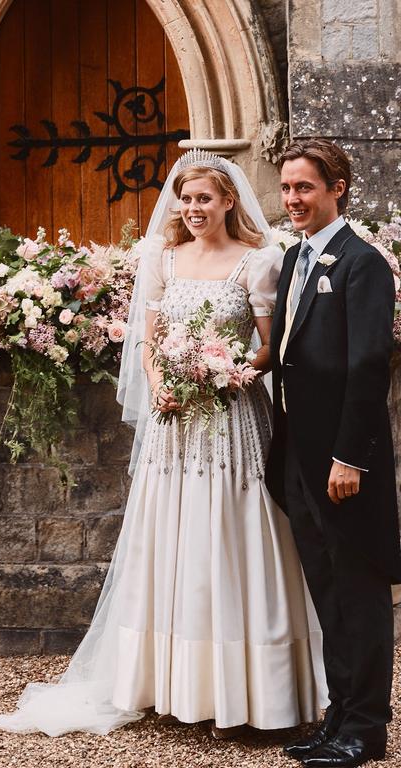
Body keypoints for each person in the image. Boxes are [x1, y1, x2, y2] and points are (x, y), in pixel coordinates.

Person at [0, 150, 326, 738]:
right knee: (173, 536)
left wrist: (229, 373)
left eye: (204, 199)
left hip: (231, 421)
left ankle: (250, 690)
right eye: (186, 200)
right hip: (174, 424)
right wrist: (164, 385)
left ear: (228, 202)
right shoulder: (162, 258)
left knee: (233, 537)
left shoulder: (258, 262)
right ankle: (169, 683)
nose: (192, 210)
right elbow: (148, 343)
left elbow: (270, 346)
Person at [266, 139, 400, 768]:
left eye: (305, 189)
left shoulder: (363, 263)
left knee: (359, 591)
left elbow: (370, 366)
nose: (292, 200)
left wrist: (350, 456)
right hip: (299, 455)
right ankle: (338, 717)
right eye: (287, 188)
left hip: (346, 465)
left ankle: (367, 728)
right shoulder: (295, 260)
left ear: (337, 187)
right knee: (326, 591)